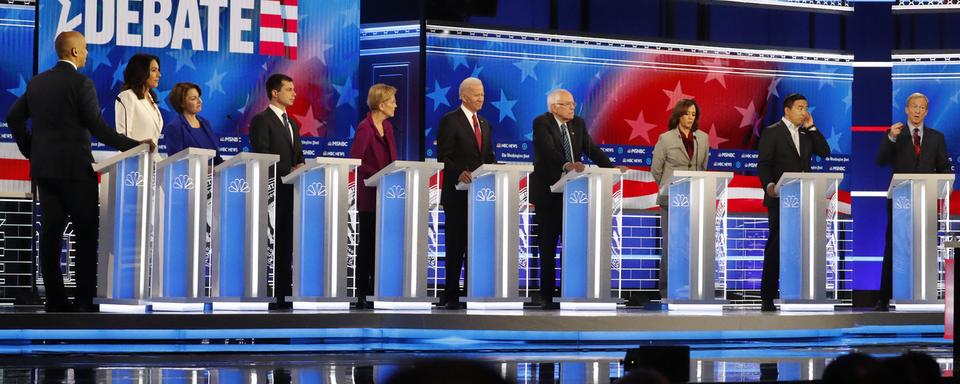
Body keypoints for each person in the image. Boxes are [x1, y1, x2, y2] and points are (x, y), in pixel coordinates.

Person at [6, 31, 151, 312]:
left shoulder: (37, 82)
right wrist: (136, 145)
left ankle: (56, 302)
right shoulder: (81, 82)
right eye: (84, 49)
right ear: (73, 52)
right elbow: (97, 127)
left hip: (45, 170)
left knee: (50, 236)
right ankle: (84, 301)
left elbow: (14, 117)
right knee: (85, 235)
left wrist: (31, 150)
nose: (86, 53)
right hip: (75, 171)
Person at [529, 89, 623, 309]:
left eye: (573, 104)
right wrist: (566, 165)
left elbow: (592, 149)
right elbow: (546, 150)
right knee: (548, 247)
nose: (573, 107)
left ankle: (569, 292)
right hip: (548, 195)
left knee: (572, 247)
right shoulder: (542, 123)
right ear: (554, 107)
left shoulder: (578, 124)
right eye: (567, 104)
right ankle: (546, 296)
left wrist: (611, 168)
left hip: (573, 197)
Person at [874, 93, 951, 311]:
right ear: (907, 109)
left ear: (926, 111)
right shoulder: (895, 134)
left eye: (922, 107)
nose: (917, 111)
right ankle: (883, 297)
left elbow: (943, 166)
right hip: (900, 200)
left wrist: (947, 182)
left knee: (925, 246)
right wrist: (890, 137)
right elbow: (880, 160)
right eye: (914, 106)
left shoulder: (937, 137)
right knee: (894, 247)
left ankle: (923, 295)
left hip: (925, 201)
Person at [757, 93, 831, 311]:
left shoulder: (807, 134)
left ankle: (800, 293)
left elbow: (825, 152)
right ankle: (767, 296)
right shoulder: (772, 132)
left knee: (802, 247)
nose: (804, 112)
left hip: (804, 199)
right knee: (776, 247)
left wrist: (813, 128)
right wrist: (769, 185)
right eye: (800, 108)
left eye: (806, 108)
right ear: (787, 110)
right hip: (780, 198)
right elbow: (764, 164)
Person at [436, 77, 496, 309]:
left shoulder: (485, 123)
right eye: (476, 94)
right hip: (458, 195)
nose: (481, 98)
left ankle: (473, 290)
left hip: (481, 198)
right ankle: (450, 293)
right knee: (456, 245)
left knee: (477, 245)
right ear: (463, 95)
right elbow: (444, 156)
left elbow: (488, 158)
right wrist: (459, 172)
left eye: (482, 94)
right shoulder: (450, 121)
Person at [249, 73, 305, 310]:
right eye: (289, 89)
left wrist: (300, 166)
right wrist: (286, 169)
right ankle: (268, 292)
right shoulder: (262, 120)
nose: (294, 93)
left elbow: (298, 154)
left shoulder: (292, 123)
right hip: (272, 191)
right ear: (275, 92)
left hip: (292, 189)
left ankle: (284, 292)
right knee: (271, 241)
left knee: (287, 242)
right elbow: (262, 154)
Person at [650, 99, 709, 300]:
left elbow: (703, 168)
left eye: (694, 114)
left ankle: (690, 288)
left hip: (695, 199)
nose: (691, 117)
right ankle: (667, 290)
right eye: (687, 114)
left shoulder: (703, 138)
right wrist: (669, 189)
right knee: (672, 245)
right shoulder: (665, 139)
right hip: (671, 201)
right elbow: (656, 171)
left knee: (692, 244)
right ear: (678, 115)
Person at [349, 84, 399, 309]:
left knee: (381, 244)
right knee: (367, 244)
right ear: (381, 104)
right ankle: (361, 292)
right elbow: (356, 161)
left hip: (387, 195)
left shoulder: (387, 127)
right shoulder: (365, 128)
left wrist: (392, 175)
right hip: (370, 194)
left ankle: (376, 290)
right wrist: (379, 175)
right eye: (392, 101)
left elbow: (393, 160)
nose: (396, 105)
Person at [163, 82, 223, 164]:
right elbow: (176, 163)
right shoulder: (174, 127)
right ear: (182, 103)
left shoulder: (205, 123)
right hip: (190, 176)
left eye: (199, 97)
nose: (200, 101)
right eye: (193, 98)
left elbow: (217, 158)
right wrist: (204, 169)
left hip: (214, 176)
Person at [116, 53, 163, 144]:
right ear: (141, 72)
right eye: (154, 70)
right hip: (135, 157)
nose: (159, 75)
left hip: (153, 157)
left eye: (158, 70)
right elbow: (123, 137)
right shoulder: (127, 96)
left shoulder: (150, 98)